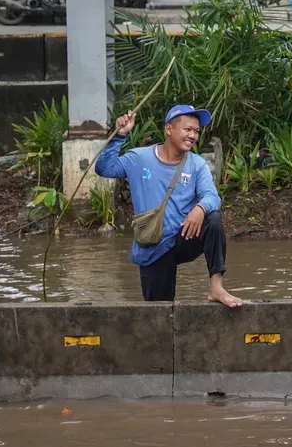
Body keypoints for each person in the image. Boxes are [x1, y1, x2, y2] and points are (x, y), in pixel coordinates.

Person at [95, 104, 242, 307]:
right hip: (153, 245)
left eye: (196, 131)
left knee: (213, 219)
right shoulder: (139, 158)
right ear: (169, 129)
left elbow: (212, 196)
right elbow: (104, 169)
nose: (193, 135)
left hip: (185, 237)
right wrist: (119, 136)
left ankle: (216, 287)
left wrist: (199, 209)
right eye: (187, 129)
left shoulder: (196, 164)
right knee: (159, 313)